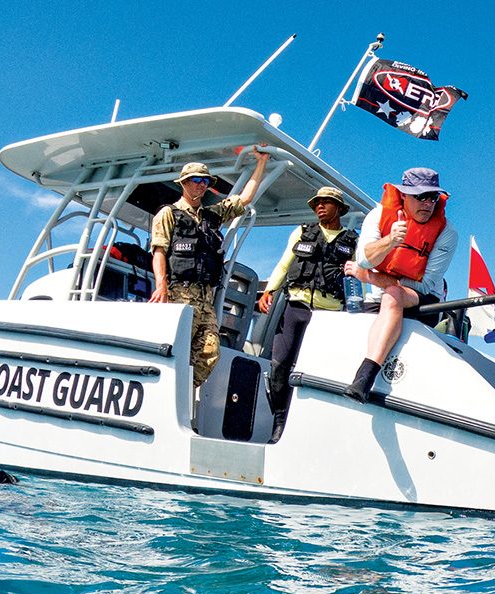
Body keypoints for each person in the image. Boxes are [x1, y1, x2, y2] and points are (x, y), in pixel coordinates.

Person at [149, 150, 271, 388]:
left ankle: (180, 393)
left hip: (206, 298)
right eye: (196, 181)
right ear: (184, 183)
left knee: (209, 352)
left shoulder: (211, 216)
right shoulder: (168, 214)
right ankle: (165, 393)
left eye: (204, 182)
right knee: (174, 348)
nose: (201, 186)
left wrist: (261, 163)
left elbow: (244, 199)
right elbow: (159, 251)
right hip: (179, 295)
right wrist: (161, 285)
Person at [342, 167, 458, 402]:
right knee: (385, 299)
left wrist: (371, 278)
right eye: (420, 196)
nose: (427, 203)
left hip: (422, 302)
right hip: (378, 300)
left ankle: (365, 377)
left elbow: (425, 286)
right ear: (404, 195)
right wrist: (391, 241)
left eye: (432, 197)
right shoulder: (377, 216)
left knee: (392, 295)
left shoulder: (448, 233)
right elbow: (364, 259)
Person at [258, 186, 358, 439]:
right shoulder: (302, 232)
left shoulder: (351, 241)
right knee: (279, 365)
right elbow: (284, 263)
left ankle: (308, 428)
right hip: (296, 307)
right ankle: (279, 422)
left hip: (330, 315)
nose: (319, 207)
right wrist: (269, 290)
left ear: (339, 208)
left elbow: (358, 279)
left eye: (325, 202)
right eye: (316, 203)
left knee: (319, 370)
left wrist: (358, 309)